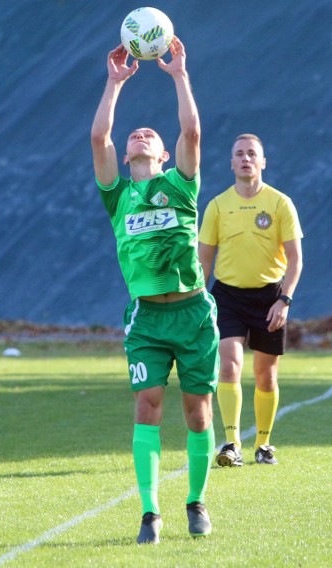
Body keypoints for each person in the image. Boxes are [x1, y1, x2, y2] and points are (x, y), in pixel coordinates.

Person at [90, 38, 218, 545]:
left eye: (151, 135)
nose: (141, 134)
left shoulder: (182, 186)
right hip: (146, 317)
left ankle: (196, 501)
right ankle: (150, 513)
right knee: (147, 404)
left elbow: (193, 129)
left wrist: (179, 75)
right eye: (135, 135)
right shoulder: (118, 195)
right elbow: (99, 136)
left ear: (164, 154)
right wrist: (114, 83)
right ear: (126, 156)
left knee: (197, 412)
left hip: (192, 314)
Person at [198, 134, 303, 467]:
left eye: (251, 154)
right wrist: (199, 298)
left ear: (262, 162)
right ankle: (231, 443)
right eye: (239, 154)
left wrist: (284, 300)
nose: (245, 159)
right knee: (228, 365)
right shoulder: (217, 205)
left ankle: (264, 444)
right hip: (227, 295)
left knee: (266, 375)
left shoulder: (279, 203)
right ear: (231, 163)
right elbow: (203, 261)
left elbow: (296, 259)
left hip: (269, 297)